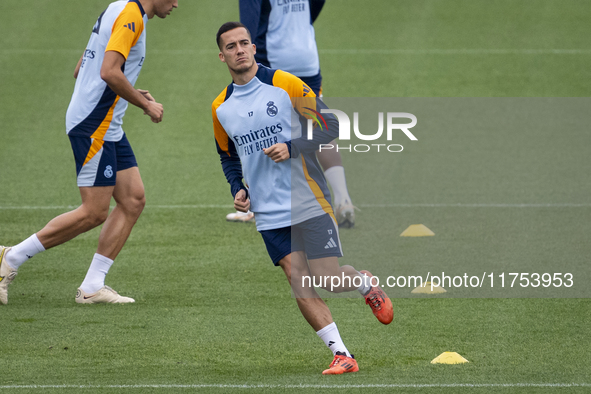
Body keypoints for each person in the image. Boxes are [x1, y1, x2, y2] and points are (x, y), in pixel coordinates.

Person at [212, 22, 393, 375]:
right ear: (222, 56)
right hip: (267, 212)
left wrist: (293, 147)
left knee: (327, 278)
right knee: (298, 279)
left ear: (253, 47)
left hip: (308, 199)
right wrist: (238, 188)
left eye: (245, 43)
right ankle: (343, 354)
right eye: (231, 46)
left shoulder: (285, 84)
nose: (240, 50)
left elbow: (330, 126)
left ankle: (364, 282)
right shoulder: (221, 107)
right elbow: (227, 156)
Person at [0, 0, 179, 305]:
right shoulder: (132, 16)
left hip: (107, 124)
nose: (177, 3)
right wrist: (144, 104)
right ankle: (10, 258)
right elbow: (109, 71)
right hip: (94, 123)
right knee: (94, 211)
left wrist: (133, 91)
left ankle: (93, 286)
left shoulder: (118, 7)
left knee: (133, 199)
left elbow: (82, 66)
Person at [224, 0, 356, 227]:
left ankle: (260, 204)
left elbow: (246, 27)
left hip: (274, 60)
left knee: (264, 129)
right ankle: (343, 198)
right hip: (306, 57)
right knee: (318, 124)